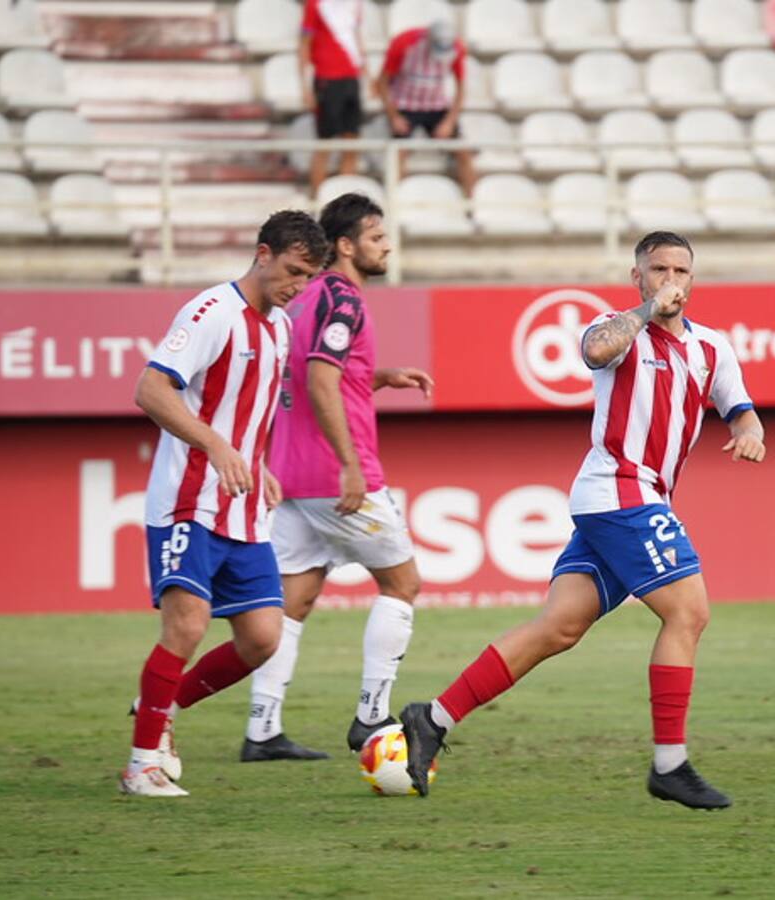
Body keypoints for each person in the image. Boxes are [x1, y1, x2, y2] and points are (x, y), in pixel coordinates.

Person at [399, 232, 766, 810]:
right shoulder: (618, 328)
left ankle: (432, 719)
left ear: (695, 279)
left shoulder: (712, 348)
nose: (672, 279)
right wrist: (648, 312)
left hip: (637, 501)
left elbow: (739, 407)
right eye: (659, 269)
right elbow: (595, 352)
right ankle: (670, 765)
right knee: (690, 613)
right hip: (620, 492)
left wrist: (749, 432)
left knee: (558, 628)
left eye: (681, 271)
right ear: (637, 276)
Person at [120, 210, 327, 797]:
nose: (296, 286)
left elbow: (244, 408)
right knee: (186, 626)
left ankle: (156, 711)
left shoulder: (281, 326)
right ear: (263, 254)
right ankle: (141, 766)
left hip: (242, 507)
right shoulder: (211, 313)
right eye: (291, 272)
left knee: (263, 637)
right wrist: (215, 446)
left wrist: (255, 464)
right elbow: (150, 388)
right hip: (189, 499)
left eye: (306, 279)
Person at [240, 192, 435, 762]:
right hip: (336, 475)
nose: (386, 246)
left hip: (293, 475)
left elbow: (319, 375)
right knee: (402, 584)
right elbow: (322, 380)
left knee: (293, 602)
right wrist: (350, 463)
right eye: (376, 238)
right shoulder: (344, 299)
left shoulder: (303, 298)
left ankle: (262, 729)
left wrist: (381, 376)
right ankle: (371, 717)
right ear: (346, 245)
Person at [375, 19, 476, 196]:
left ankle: (472, 206)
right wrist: (394, 117)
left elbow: (461, 89)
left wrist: (449, 122)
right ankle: (395, 204)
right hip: (405, 105)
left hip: (436, 105)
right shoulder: (403, 44)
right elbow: (382, 83)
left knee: (463, 152)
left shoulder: (457, 49)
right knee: (397, 154)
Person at [299, 0, 365, 197]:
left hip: (351, 77)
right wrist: (305, 86)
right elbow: (304, 45)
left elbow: (355, 37)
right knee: (325, 143)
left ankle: (345, 201)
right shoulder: (315, 5)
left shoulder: (355, 4)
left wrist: (366, 72)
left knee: (351, 142)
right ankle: (317, 199)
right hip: (327, 78)